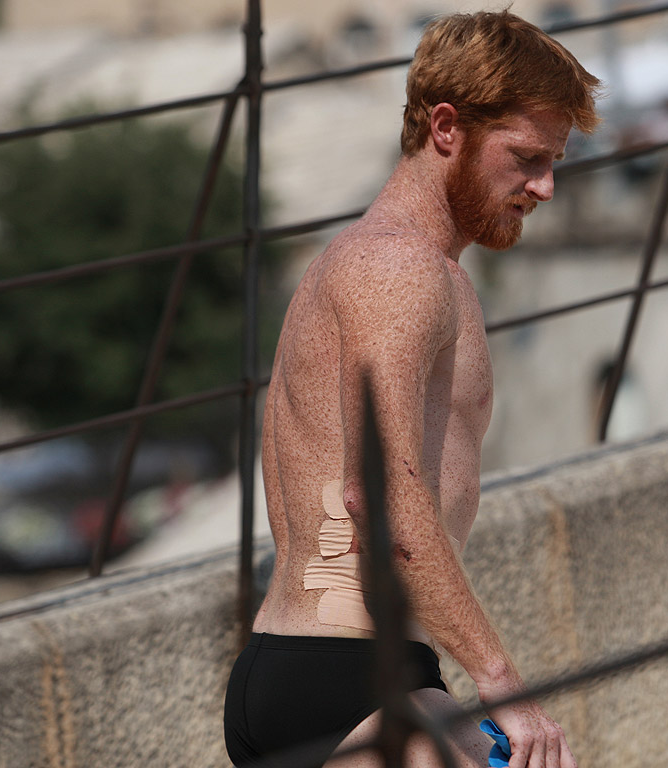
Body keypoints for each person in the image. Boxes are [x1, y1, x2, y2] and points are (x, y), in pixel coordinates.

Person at [224, 10, 601, 768]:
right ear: (446, 127)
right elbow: (382, 495)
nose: (546, 186)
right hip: (338, 674)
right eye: (525, 157)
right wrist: (503, 686)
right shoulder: (394, 270)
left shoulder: (407, 268)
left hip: (366, 670)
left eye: (554, 160)